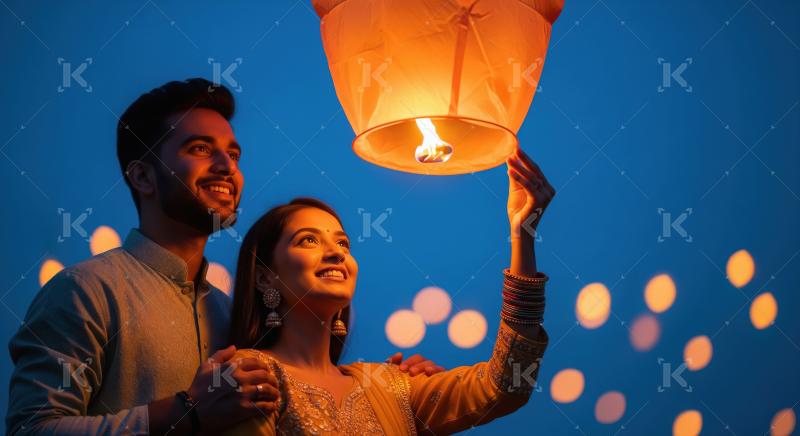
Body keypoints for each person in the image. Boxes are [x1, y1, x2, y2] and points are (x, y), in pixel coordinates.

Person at [6, 78, 444, 435]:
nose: (225, 165)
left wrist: (383, 393)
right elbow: (31, 428)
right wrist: (185, 412)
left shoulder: (229, 313)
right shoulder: (87, 291)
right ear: (142, 175)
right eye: (200, 149)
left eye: (232, 153)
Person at [223, 147, 555, 434]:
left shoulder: (390, 385)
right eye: (308, 240)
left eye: (343, 242)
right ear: (265, 278)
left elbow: (508, 384)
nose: (337, 252)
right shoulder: (251, 374)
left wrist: (522, 232)